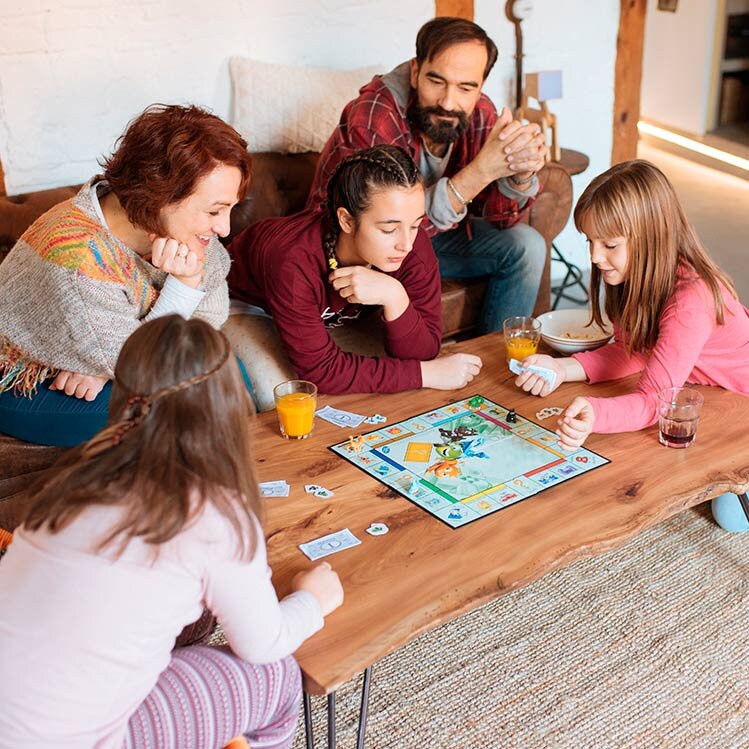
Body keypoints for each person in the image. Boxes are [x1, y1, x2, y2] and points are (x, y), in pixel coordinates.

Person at [0, 315, 344, 748]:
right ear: (227, 407)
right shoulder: (215, 513)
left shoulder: (77, 472)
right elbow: (264, 644)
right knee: (275, 677)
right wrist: (313, 601)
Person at [513, 160, 749, 532]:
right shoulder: (633, 273)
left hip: (740, 398)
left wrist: (596, 413)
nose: (593, 256)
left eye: (608, 244)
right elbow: (631, 351)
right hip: (711, 392)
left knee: (730, 517)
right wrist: (562, 368)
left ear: (652, 237)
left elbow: (657, 401)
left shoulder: (690, 300)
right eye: (589, 241)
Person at [0, 103, 253, 447]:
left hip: (113, 356)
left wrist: (103, 366)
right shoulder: (77, 260)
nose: (223, 228)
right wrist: (185, 285)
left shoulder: (185, 232)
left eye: (229, 209)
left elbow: (210, 320)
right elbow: (140, 365)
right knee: (186, 407)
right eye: (214, 211)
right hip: (24, 381)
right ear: (159, 194)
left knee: (231, 377)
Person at [306, 17, 549, 334]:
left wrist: (520, 174)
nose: (449, 102)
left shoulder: (478, 110)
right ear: (416, 71)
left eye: (466, 87)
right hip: (361, 245)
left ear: (480, 86)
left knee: (527, 245)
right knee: (404, 252)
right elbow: (381, 225)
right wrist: (481, 172)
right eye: (437, 81)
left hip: (426, 238)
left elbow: (501, 220)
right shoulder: (375, 113)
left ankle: (496, 362)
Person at [227, 145, 482, 402]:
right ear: (347, 221)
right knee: (288, 396)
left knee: (390, 384)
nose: (406, 244)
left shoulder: (412, 244)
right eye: (388, 229)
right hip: (248, 306)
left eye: (415, 224)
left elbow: (423, 350)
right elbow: (322, 372)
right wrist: (427, 374)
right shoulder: (292, 261)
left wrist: (395, 296)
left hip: (332, 318)